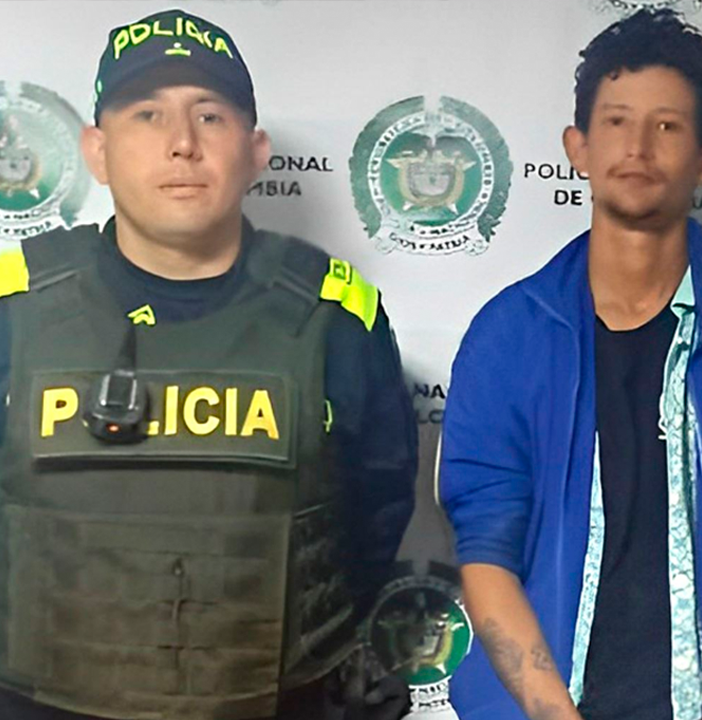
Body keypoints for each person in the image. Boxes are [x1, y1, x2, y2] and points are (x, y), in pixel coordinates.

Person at [0, 9, 417, 720]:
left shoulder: (337, 316)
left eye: (210, 116)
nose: (182, 144)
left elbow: (373, 519)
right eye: (147, 114)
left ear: (256, 151)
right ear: (96, 150)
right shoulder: (15, 309)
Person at [439, 10, 702, 720]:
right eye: (617, 121)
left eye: (667, 126)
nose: (638, 147)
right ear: (578, 147)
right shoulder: (508, 336)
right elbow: (487, 551)